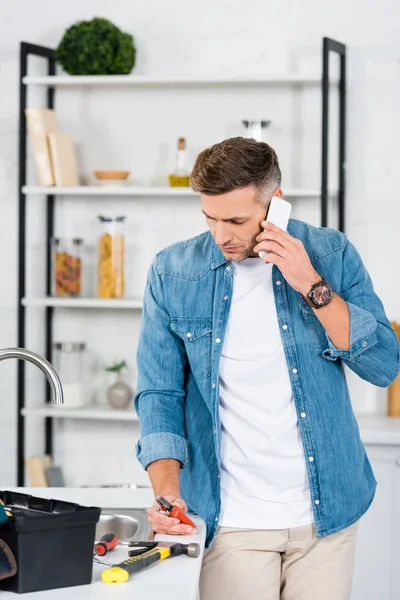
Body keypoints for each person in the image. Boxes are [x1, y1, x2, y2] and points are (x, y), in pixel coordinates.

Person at [134, 137, 400, 600]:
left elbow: (384, 365)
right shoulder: (173, 272)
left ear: (274, 204)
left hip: (326, 516)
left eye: (236, 220)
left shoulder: (331, 254)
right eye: (210, 218)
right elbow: (160, 395)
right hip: (232, 522)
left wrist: (310, 283)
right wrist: (167, 491)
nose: (221, 236)